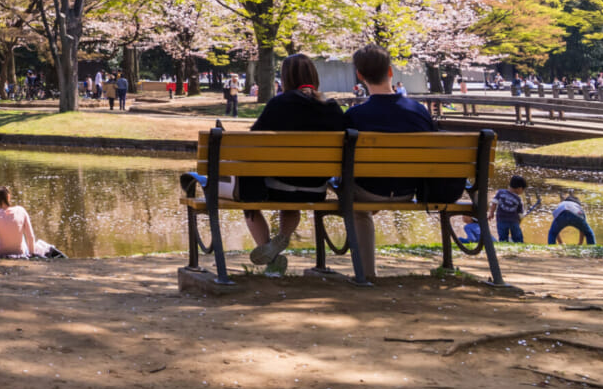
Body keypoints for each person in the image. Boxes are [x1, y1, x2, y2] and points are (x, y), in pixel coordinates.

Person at [179, 53, 346, 276]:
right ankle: (282, 239)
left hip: (277, 187)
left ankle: (272, 259)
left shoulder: (279, 104)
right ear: (314, 76)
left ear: (285, 78)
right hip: (315, 190)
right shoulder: (333, 107)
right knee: (292, 199)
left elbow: (251, 144)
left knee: (251, 197)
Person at [343, 45, 461, 283]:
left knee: (357, 207)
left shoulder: (354, 116)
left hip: (368, 192)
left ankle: (366, 273)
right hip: (408, 191)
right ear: (390, 71)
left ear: (359, 75)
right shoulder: (418, 111)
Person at [0, 184, 44, 258]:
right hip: (20, 253)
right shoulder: (21, 210)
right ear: (8, 196)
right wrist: (31, 254)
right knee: (21, 235)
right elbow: (30, 236)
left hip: (2, 253)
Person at [493, 175, 527, 244]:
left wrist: (491, 213)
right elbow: (520, 213)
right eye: (523, 189)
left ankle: (503, 243)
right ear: (519, 188)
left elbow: (494, 203)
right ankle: (519, 243)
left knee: (502, 235)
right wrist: (520, 219)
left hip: (501, 219)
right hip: (513, 221)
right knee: (517, 236)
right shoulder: (518, 199)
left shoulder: (500, 192)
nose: (522, 191)